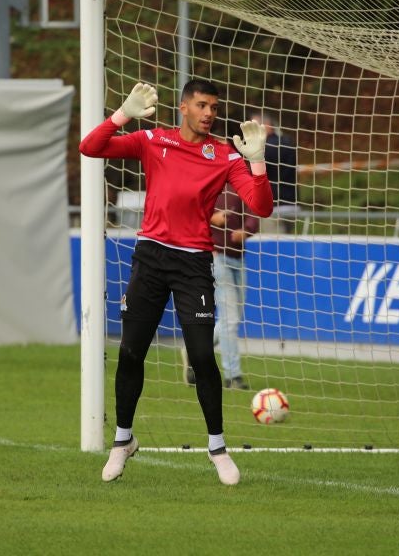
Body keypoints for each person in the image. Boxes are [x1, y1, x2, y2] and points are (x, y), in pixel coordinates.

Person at [79, 79, 274, 485]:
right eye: (202, 105)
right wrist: (122, 115)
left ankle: (218, 447)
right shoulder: (152, 139)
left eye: (214, 108)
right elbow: (90, 147)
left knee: (203, 356)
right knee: (131, 352)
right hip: (150, 257)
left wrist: (256, 161)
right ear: (183, 107)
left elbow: (261, 206)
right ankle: (122, 440)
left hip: (194, 263)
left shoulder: (223, 154)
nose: (209, 114)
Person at [182, 183, 260, 390]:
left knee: (230, 320)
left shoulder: (241, 188)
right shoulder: (206, 186)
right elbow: (188, 215)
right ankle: (233, 376)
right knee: (230, 319)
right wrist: (211, 218)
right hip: (216, 258)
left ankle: (194, 350)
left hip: (238, 260)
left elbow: (254, 215)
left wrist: (246, 230)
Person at [252, 110, 297, 232]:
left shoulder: (264, 148)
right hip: (291, 204)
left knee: (273, 247)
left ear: (266, 125)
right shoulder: (288, 142)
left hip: (273, 206)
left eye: (254, 126)